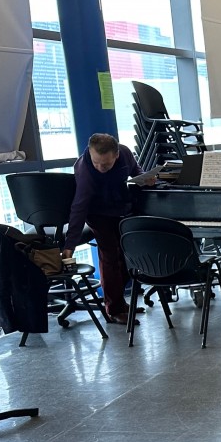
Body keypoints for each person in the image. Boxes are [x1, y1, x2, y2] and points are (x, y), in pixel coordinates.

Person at [62, 133, 146, 324]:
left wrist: (145, 179)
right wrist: (70, 245)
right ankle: (113, 309)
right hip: (97, 213)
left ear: (116, 155)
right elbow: (79, 207)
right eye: (96, 163)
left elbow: (136, 172)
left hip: (122, 208)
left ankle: (120, 302)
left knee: (126, 257)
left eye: (106, 165)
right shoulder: (85, 170)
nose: (100, 168)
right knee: (109, 256)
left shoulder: (125, 153)